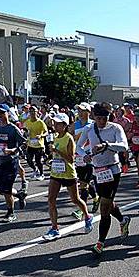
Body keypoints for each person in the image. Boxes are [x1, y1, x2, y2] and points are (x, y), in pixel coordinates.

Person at [78, 104, 131, 256]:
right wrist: (84, 155)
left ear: (109, 117)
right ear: (94, 117)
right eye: (98, 118)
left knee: (104, 208)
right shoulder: (89, 129)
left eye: (104, 118)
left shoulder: (115, 128)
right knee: (106, 202)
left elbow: (124, 146)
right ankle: (123, 219)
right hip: (98, 171)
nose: (101, 121)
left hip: (113, 170)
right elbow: (78, 147)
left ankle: (100, 243)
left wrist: (107, 145)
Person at [43, 113, 93, 241]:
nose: (55, 125)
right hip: (56, 173)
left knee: (75, 199)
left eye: (58, 124)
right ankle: (54, 228)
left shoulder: (69, 138)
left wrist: (57, 151)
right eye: (54, 123)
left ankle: (87, 216)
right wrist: (51, 158)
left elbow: (71, 159)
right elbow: (55, 154)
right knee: (51, 200)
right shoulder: (55, 137)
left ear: (64, 125)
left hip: (68, 173)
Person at [0, 104, 27, 222]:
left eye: (2, 113)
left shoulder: (12, 128)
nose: (0, 115)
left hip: (11, 162)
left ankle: (11, 213)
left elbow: (23, 143)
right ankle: (19, 195)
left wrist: (13, 150)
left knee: (7, 189)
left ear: (8, 113)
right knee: (1, 189)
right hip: (0, 162)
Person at [70, 102, 99, 218]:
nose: (80, 113)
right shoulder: (74, 125)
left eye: (83, 111)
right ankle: (96, 198)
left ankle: (81, 210)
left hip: (90, 157)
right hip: (78, 157)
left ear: (88, 112)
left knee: (83, 185)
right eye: (79, 111)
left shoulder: (93, 125)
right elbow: (70, 139)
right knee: (84, 182)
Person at [23, 106, 48, 181]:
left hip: (39, 144)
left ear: (37, 112)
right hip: (30, 144)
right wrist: (26, 134)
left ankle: (41, 174)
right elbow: (25, 131)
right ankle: (35, 169)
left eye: (34, 111)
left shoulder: (40, 122)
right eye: (30, 111)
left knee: (38, 160)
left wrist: (41, 135)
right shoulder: (27, 122)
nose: (32, 113)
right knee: (29, 160)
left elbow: (46, 132)